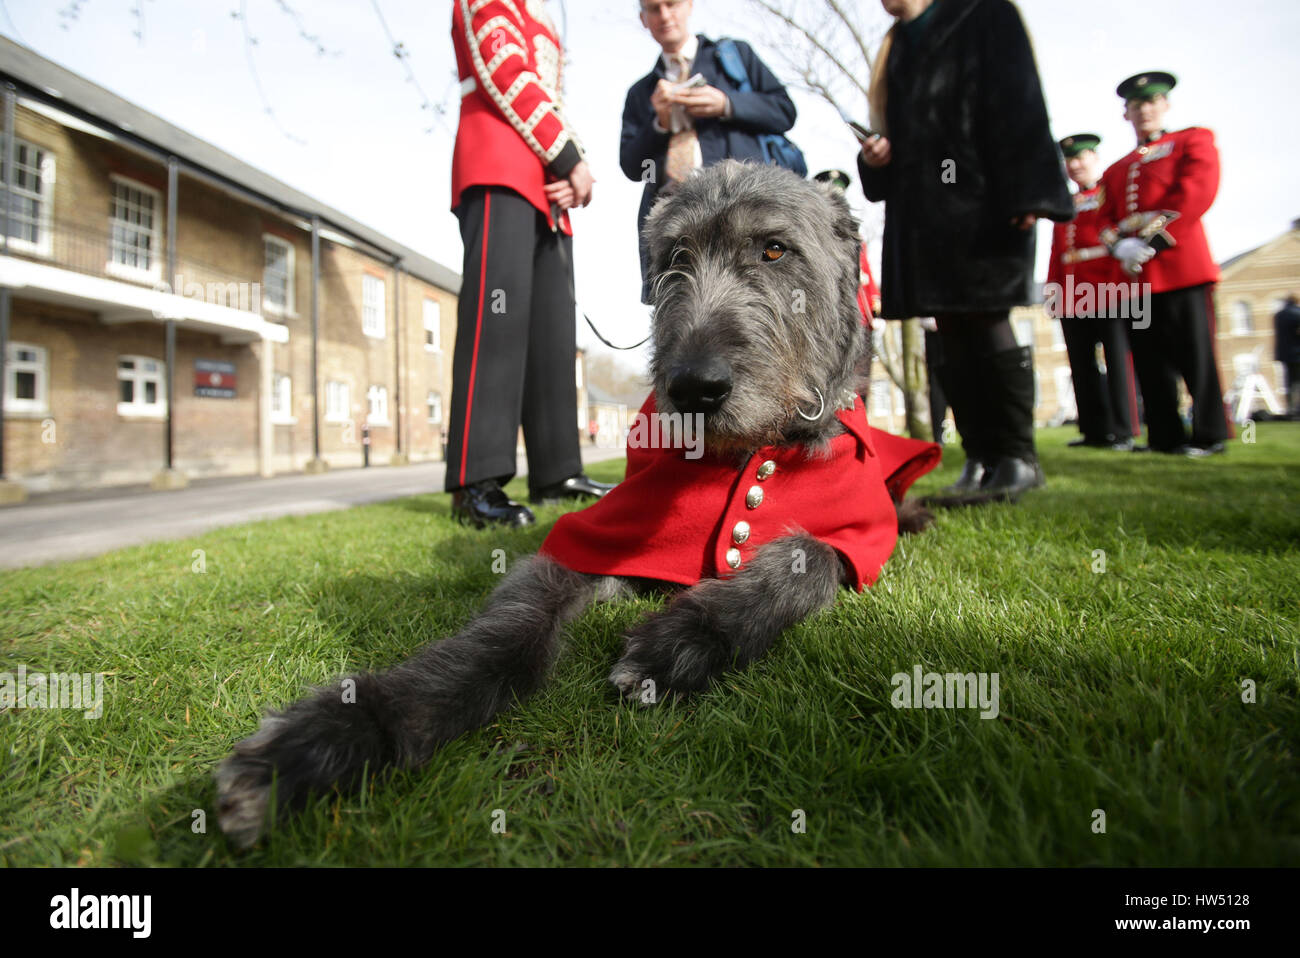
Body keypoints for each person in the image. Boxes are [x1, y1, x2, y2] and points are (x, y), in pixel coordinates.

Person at [857, 0, 1074, 499]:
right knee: (949, 330)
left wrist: (1028, 190)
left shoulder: (983, 12)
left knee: (986, 318)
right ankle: (980, 458)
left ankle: (1018, 458)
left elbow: (1019, 100)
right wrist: (877, 157)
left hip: (983, 202)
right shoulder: (896, 45)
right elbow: (901, 141)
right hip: (921, 215)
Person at [448, 0, 612, 527]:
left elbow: (550, 96)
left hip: (545, 181)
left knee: (552, 332)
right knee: (497, 324)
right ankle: (477, 480)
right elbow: (507, 71)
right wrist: (568, 155)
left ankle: (556, 469)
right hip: (499, 162)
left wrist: (565, 162)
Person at [620, 0, 797, 299]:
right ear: (643, 19)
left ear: (689, 5)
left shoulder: (733, 57)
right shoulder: (642, 92)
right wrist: (659, 124)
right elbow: (631, 165)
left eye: (671, 4)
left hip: (743, 211)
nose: (664, 15)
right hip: (675, 226)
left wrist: (727, 104)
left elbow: (784, 111)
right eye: (653, 9)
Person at [1096, 71, 1229, 457]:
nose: (1145, 111)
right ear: (1126, 114)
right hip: (1136, 276)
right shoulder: (1116, 169)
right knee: (1150, 361)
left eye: (1152, 102)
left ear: (1166, 105)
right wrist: (1119, 246)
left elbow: (1196, 190)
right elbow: (1103, 216)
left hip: (1180, 266)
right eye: (1137, 106)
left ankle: (1209, 434)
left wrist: (1151, 239)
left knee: (1196, 355)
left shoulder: (1192, 140)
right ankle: (1165, 436)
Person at [1047, 133, 1138, 450]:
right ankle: (1094, 431)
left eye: (1081, 158)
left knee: (1117, 361)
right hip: (1073, 293)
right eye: (1069, 161)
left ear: (1094, 159)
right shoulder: (1065, 203)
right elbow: (1058, 250)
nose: (1075, 165)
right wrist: (1054, 291)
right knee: (1081, 363)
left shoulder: (1108, 194)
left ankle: (1124, 430)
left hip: (1107, 288)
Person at [1275, 294, 1300, 418]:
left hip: (1285, 353)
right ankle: (1297, 409)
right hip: (1297, 353)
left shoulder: (1279, 315)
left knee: (1289, 381)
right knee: (1297, 381)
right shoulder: (1298, 313)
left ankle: (1290, 408)